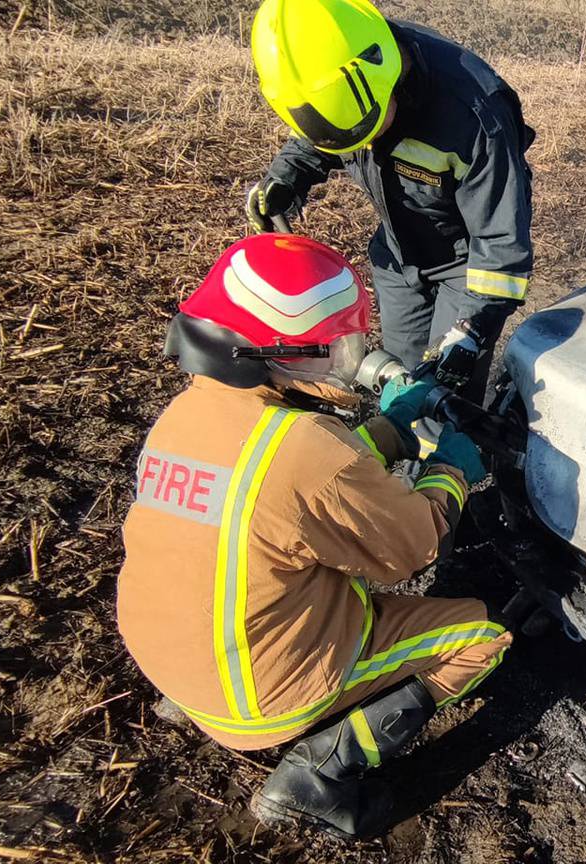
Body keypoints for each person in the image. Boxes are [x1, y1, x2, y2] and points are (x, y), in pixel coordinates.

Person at [117, 233, 511, 840]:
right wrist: (451, 469)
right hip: (255, 694)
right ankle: (320, 773)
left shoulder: (187, 416)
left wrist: (388, 430)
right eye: (340, 348)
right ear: (276, 352)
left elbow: (290, 491)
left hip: (167, 660)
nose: (353, 361)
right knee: (483, 637)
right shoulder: (308, 451)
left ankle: (201, 702)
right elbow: (410, 550)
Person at [244, 0, 535, 437]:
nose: (369, 140)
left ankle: (442, 487)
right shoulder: (326, 77)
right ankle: (399, 473)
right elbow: (320, 135)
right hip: (399, 258)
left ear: (387, 76)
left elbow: (500, 242)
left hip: (465, 264)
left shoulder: (474, 115)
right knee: (399, 378)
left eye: (372, 126)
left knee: (443, 396)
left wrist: (471, 331)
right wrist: (288, 176)